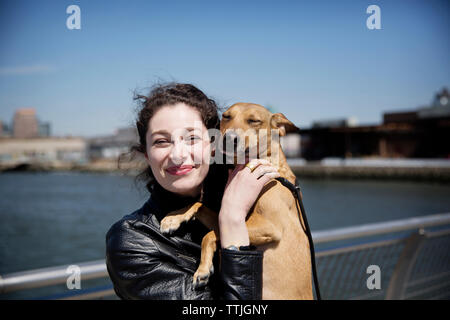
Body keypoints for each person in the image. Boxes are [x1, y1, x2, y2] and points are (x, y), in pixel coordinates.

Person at [106, 83, 280, 299]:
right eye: (161, 141)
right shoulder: (132, 241)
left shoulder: (259, 198)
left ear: (214, 144)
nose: (178, 155)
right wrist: (232, 218)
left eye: (192, 138)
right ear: (146, 155)